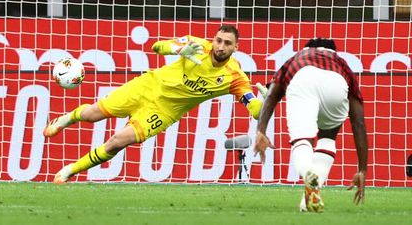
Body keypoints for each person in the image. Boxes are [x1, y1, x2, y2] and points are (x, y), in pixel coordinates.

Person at [43, 24, 264, 183]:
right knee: (93, 114)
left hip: (164, 111)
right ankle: (65, 119)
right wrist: (178, 49)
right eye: (218, 40)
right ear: (213, 40)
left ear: (236, 47)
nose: (221, 46)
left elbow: (254, 110)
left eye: (227, 43)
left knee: (117, 141)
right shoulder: (196, 45)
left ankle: (71, 170)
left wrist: (265, 104)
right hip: (148, 86)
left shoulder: (235, 78)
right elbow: (157, 46)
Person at [253, 38, 368, 213]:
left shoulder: (298, 57)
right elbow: (358, 123)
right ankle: (307, 201)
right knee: (328, 139)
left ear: (307, 49)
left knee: (302, 140)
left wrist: (260, 130)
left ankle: (308, 174)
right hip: (336, 84)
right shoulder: (342, 64)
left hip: (303, 78)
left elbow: (271, 97)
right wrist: (362, 169)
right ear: (334, 52)